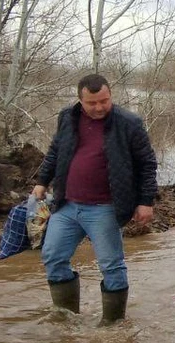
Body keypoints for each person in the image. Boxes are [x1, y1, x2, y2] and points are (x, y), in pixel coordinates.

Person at [32, 73, 157, 322]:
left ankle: (112, 324)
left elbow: (147, 164)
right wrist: (41, 181)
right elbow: (56, 150)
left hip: (105, 207)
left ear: (110, 96)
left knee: (111, 265)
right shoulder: (67, 117)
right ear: (80, 100)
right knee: (53, 257)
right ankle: (65, 317)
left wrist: (146, 201)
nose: (99, 107)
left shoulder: (128, 123)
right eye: (93, 103)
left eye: (105, 101)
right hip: (66, 204)